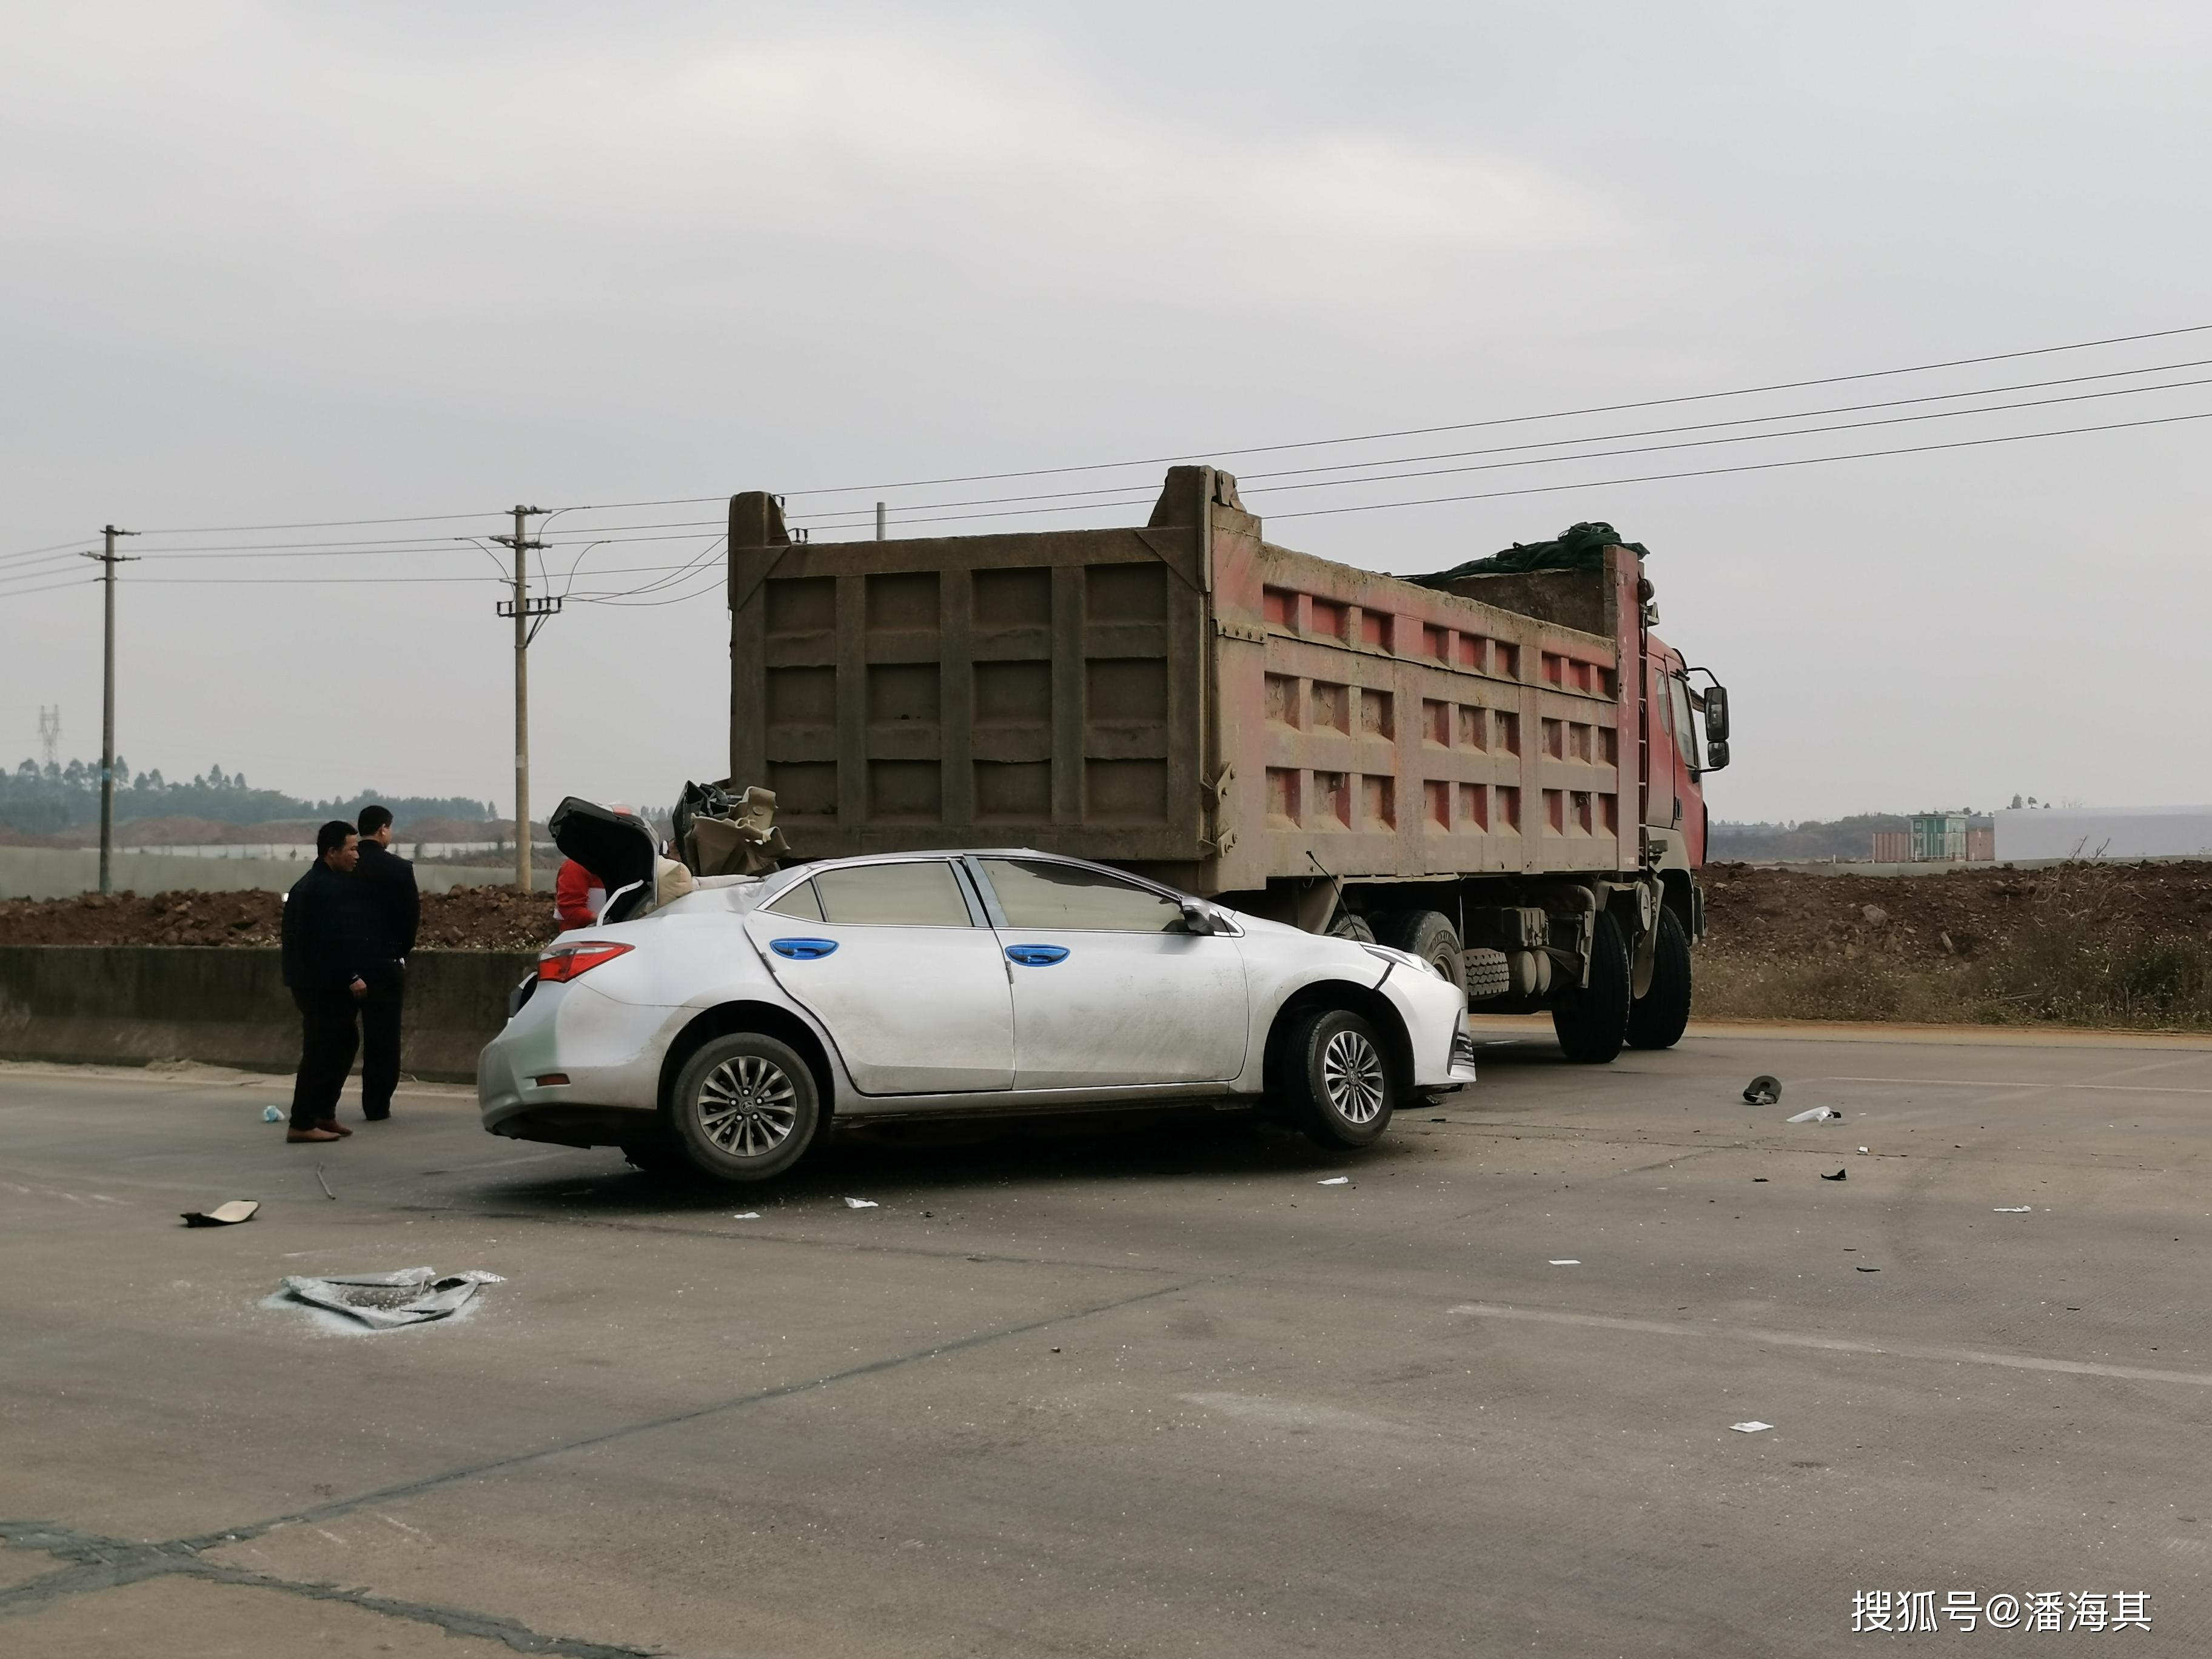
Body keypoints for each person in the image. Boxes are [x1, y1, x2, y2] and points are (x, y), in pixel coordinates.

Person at [280, 821, 380, 1144]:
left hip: (313, 981)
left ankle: (323, 1113)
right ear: (332, 852)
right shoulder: (323, 889)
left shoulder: (315, 885)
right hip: (321, 984)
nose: (357, 855)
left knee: (343, 1042)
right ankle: (302, 1121)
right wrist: (350, 976)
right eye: (351, 849)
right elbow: (325, 943)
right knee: (321, 1051)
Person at [353, 803, 418, 1122]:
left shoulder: (344, 865)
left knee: (337, 1037)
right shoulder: (400, 869)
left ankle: (322, 1108)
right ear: (383, 829)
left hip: (344, 963)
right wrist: (399, 952)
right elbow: (410, 921)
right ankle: (377, 1105)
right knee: (384, 1039)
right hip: (385, 963)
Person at [552, 802, 632, 930]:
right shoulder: (576, 866)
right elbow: (571, 911)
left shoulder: (621, 867)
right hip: (579, 940)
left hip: (610, 934)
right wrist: (606, 919)